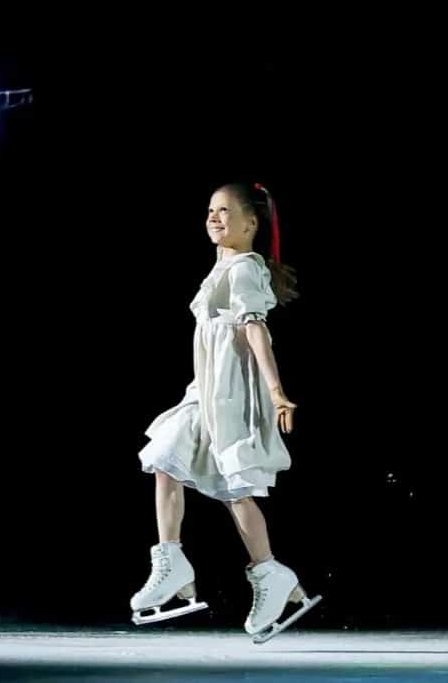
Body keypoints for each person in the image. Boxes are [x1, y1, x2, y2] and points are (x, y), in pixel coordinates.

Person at [130, 182, 321, 641]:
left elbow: (256, 330)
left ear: (251, 223)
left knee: (235, 487)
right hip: (206, 389)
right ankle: (173, 562)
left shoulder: (245, 269)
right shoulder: (223, 267)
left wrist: (276, 392)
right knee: (165, 458)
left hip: (233, 394)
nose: (214, 218)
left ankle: (271, 573)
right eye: (210, 211)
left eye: (224, 211)